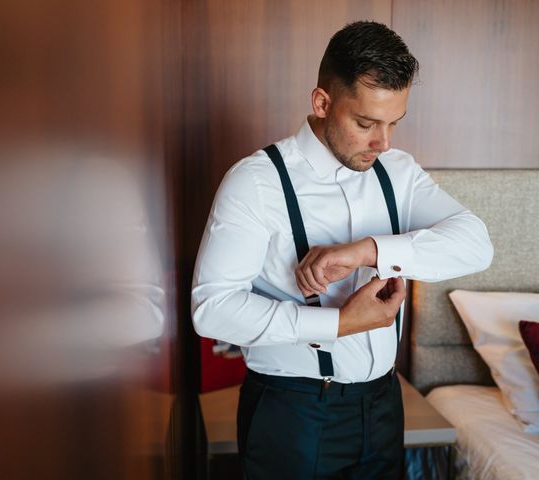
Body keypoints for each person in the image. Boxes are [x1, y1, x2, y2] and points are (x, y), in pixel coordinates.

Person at [191, 21, 493, 479]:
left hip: (383, 405)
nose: (383, 142)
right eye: (366, 123)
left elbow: (476, 245)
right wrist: (337, 323)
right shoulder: (256, 182)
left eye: (394, 123)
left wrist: (368, 250)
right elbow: (212, 310)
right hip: (294, 414)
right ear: (322, 102)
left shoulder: (398, 171)